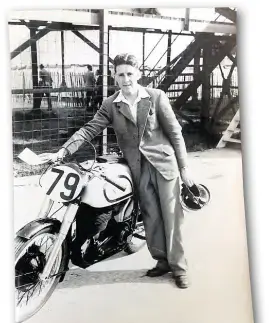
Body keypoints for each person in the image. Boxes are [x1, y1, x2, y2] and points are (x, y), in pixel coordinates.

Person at [45, 53, 194, 289]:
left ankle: (179, 268)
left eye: (130, 74)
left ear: (139, 74)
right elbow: (89, 129)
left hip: (165, 165)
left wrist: (184, 168)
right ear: (114, 76)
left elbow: (175, 133)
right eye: (121, 74)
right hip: (137, 167)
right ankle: (162, 261)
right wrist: (63, 151)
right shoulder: (111, 104)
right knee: (151, 217)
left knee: (172, 218)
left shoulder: (156, 97)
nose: (126, 79)